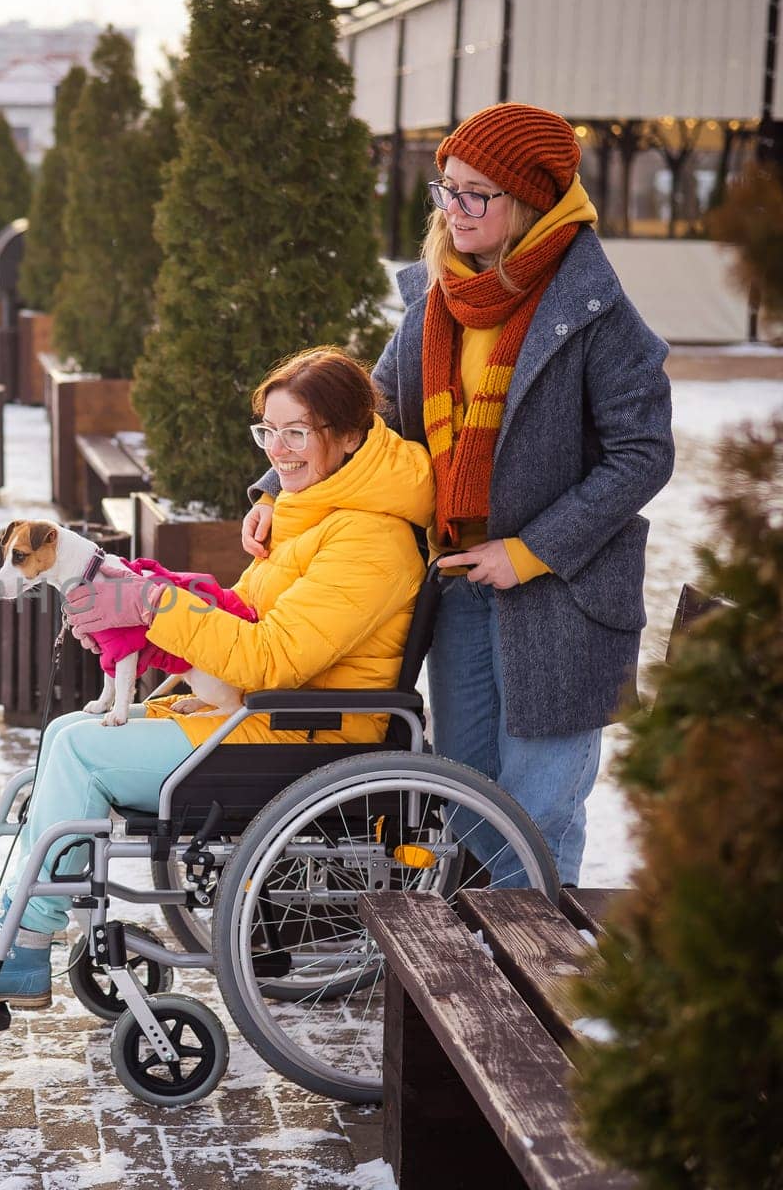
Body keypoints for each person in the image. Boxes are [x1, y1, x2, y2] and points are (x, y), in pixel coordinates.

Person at [0, 347, 435, 1007]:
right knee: (71, 730)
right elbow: (238, 627)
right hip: (256, 717)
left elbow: (270, 657)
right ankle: (9, 925)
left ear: (351, 436)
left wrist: (156, 606)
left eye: (296, 432)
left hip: (297, 737)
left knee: (79, 747)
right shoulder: (314, 517)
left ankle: (23, 943)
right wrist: (157, 623)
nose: (278, 450)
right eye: (267, 431)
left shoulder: (366, 542)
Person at [243, 103, 674, 887]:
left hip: (561, 597)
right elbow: (367, 416)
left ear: (531, 201)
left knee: (539, 808)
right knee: (467, 795)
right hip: (458, 584)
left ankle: (533, 981)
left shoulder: (595, 312)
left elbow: (642, 454)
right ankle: (485, 964)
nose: (455, 209)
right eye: (448, 190)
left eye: (478, 194)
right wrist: (283, 484)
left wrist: (532, 551)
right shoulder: (436, 302)